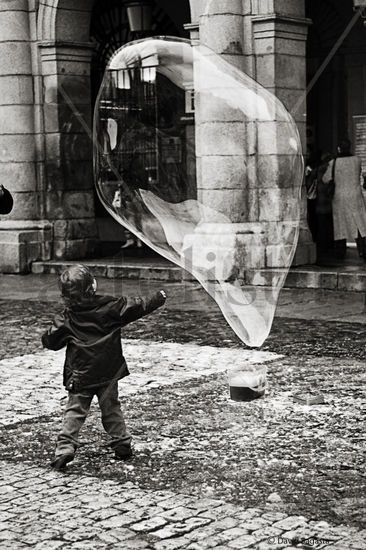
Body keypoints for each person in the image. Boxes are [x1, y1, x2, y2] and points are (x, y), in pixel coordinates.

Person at [42, 264, 166, 471]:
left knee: (75, 410)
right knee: (111, 408)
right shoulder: (111, 306)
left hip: (81, 374)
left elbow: (51, 342)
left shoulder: (66, 317)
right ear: (93, 287)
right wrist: (158, 298)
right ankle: (122, 443)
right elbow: (137, 306)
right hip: (108, 371)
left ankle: (64, 449)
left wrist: (49, 335)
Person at [322, 139, 366, 259]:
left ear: (339, 148)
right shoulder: (357, 160)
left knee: (340, 223)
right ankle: (362, 249)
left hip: (340, 196)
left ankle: (340, 251)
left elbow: (326, 179)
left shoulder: (333, 162)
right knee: (359, 223)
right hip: (355, 195)